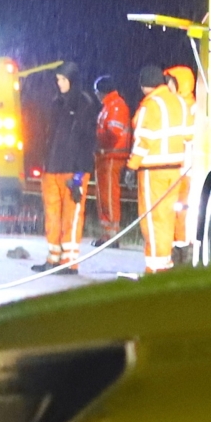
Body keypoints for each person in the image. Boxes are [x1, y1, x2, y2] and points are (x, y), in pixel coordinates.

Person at [29, 62, 98, 271]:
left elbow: (87, 142)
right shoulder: (56, 103)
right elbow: (47, 136)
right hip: (52, 169)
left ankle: (69, 261)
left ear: (72, 80)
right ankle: (53, 258)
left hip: (72, 170)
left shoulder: (84, 104)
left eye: (63, 80)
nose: (59, 84)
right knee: (52, 216)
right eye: (58, 79)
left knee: (72, 217)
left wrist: (78, 175)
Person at [130, 63, 195, 274]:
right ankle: (165, 264)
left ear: (144, 84)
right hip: (174, 170)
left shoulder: (150, 106)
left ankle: (155, 269)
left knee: (151, 220)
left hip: (152, 170)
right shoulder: (179, 103)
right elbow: (188, 135)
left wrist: (131, 166)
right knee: (166, 219)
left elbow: (143, 140)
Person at [91, 74, 132, 234]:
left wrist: (95, 139)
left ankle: (112, 233)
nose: (96, 95)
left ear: (103, 91)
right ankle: (107, 231)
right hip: (105, 156)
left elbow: (113, 133)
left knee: (109, 195)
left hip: (112, 156)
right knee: (103, 195)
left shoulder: (116, 106)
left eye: (97, 92)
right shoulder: (109, 106)